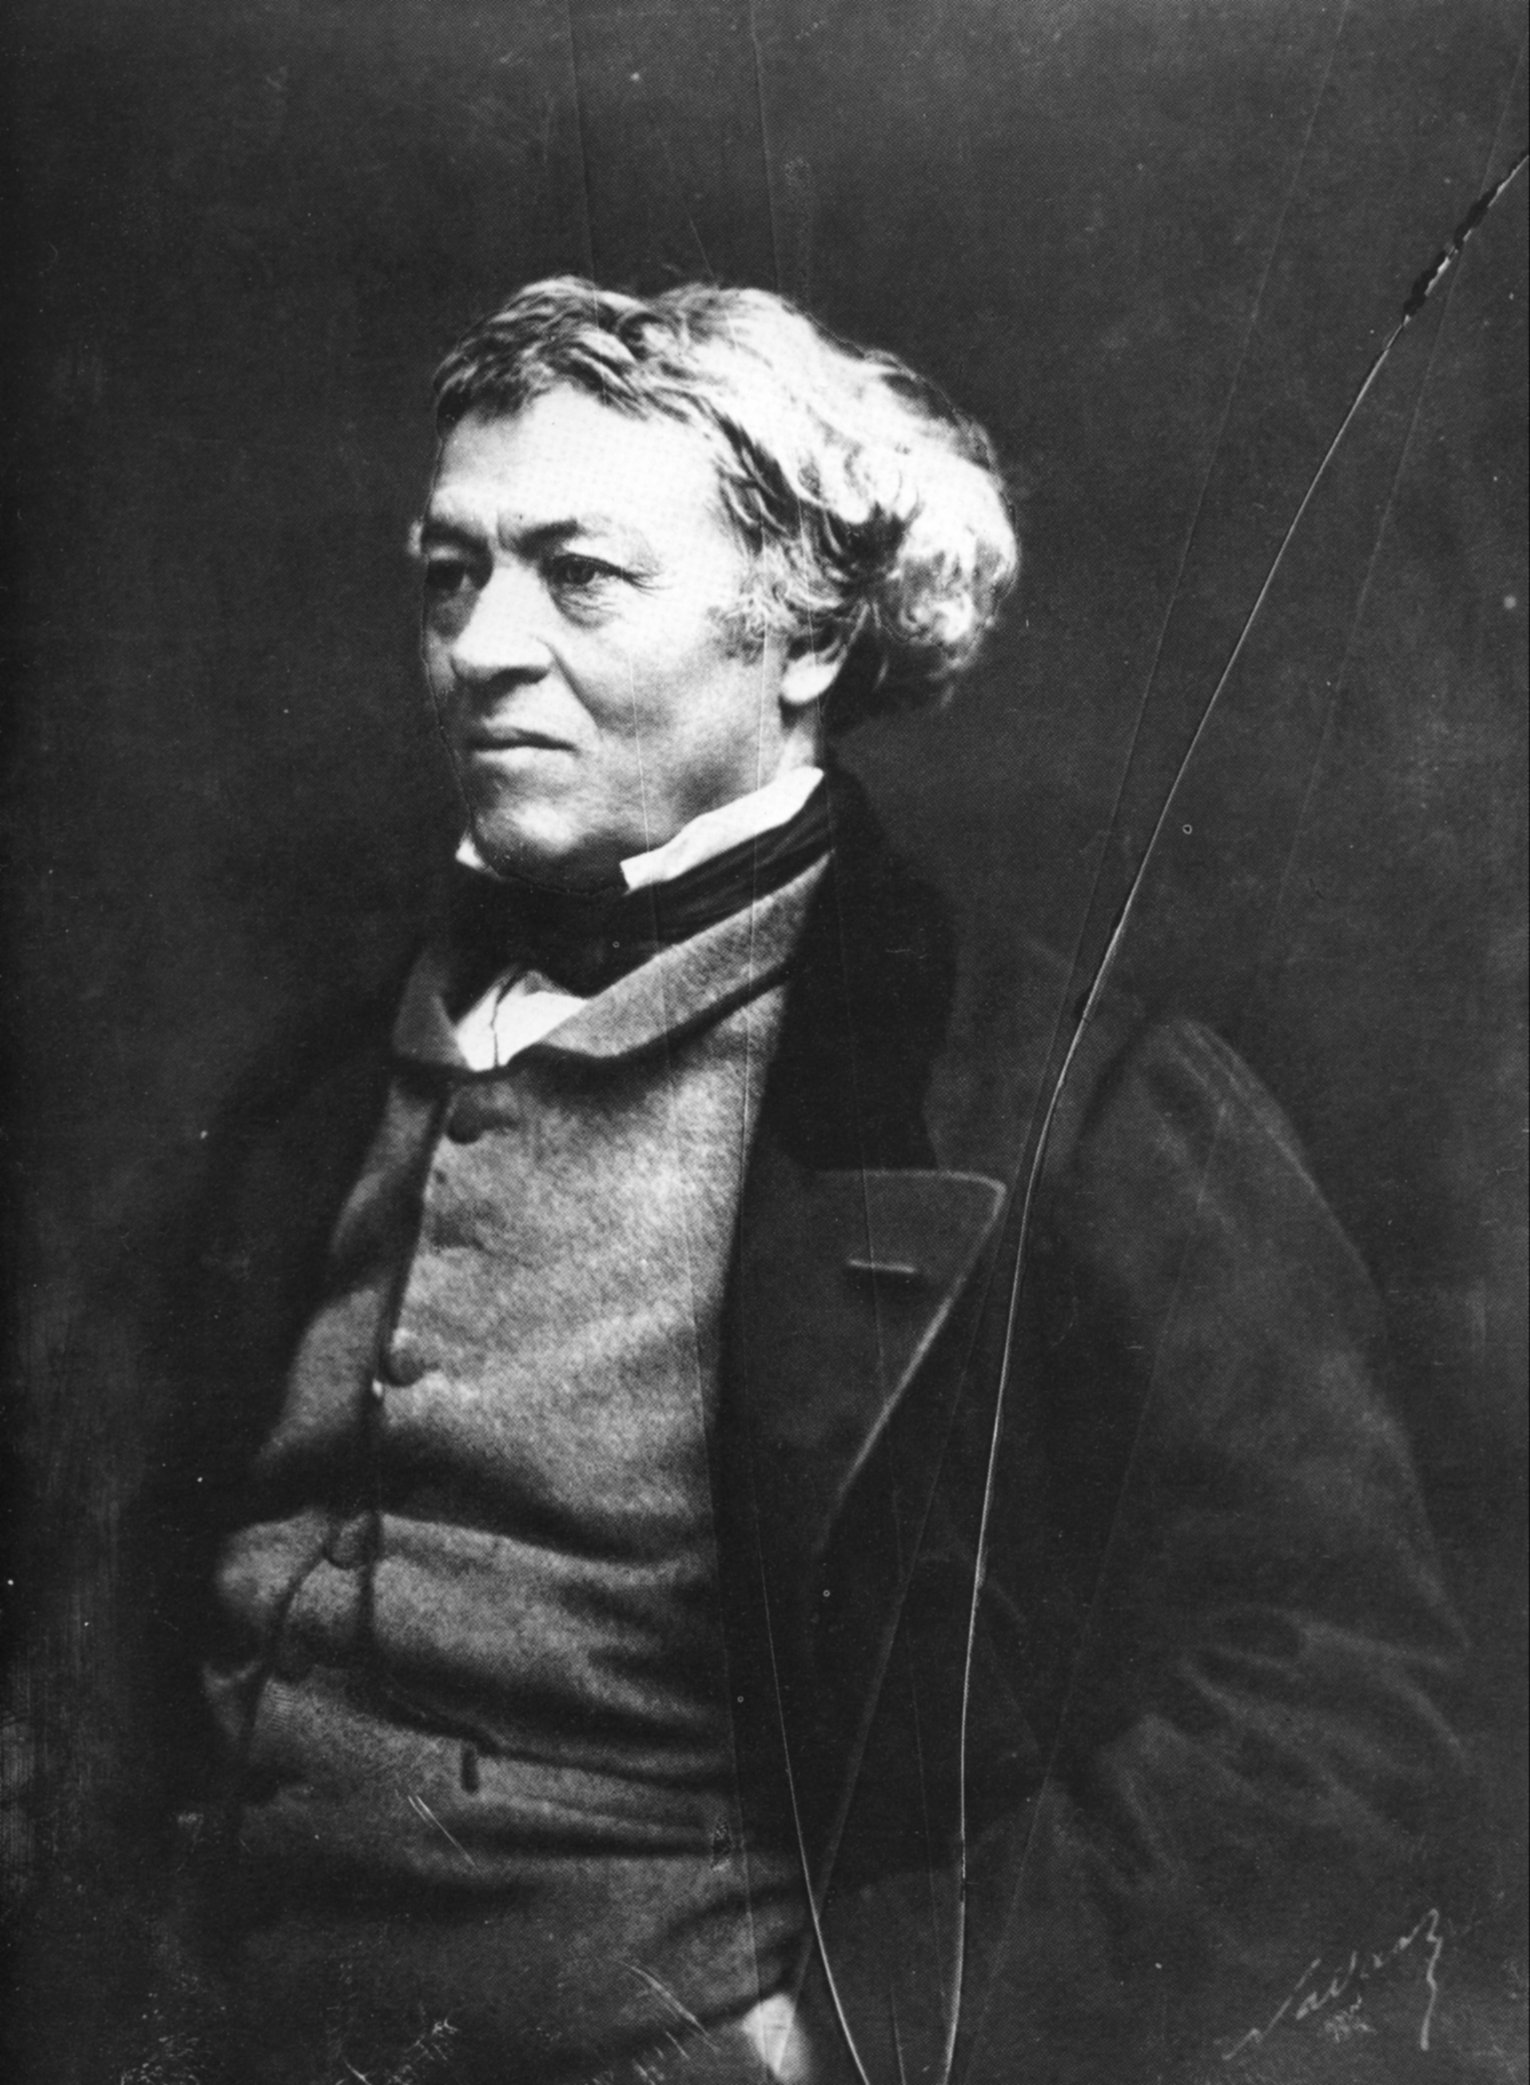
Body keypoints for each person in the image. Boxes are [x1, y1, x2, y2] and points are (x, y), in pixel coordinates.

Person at [26, 280, 1467, 2084]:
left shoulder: (1062, 1104)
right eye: (450, 575)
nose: (480, 646)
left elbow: (1342, 1704)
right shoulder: (304, 1088)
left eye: (579, 575)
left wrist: (852, 2031)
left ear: (804, 639)